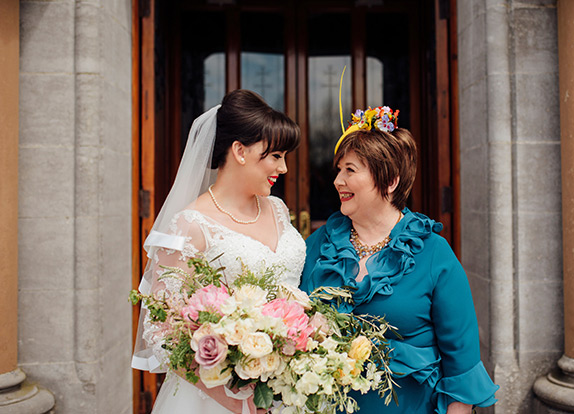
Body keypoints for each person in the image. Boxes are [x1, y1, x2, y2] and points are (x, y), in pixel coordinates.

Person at [300, 106, 499, 413]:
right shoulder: (319, 245)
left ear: (390, 181)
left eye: (350, 170)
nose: (338, 180)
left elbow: (462, 359)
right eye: (338, 170)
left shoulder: (433, 252)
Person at [132, 90, 306, 414]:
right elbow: (160, 331)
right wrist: (241, 403)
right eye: (275, 156)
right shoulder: (189, 225)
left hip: (284, 393)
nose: (283, 168)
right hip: (211, 400)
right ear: (239, 150)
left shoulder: (278, 209)